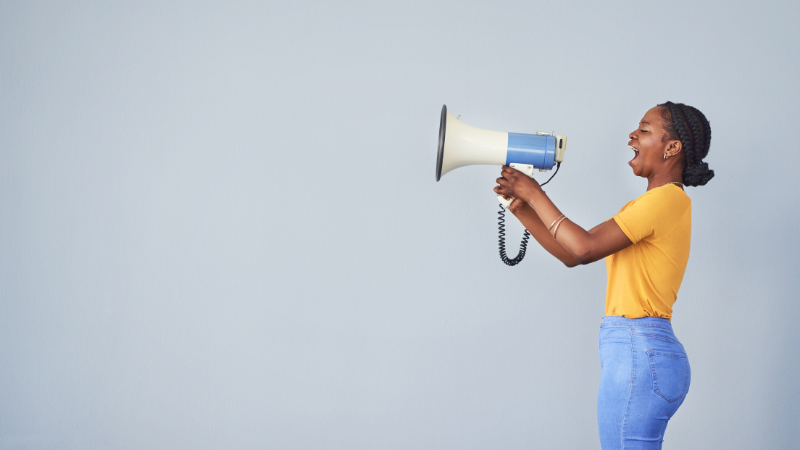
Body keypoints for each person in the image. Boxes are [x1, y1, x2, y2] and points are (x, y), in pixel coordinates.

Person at [494, 102, 714, 450]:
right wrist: (522, 208)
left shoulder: (664, 201)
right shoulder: (652, 205)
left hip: (639, 351)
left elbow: (584, 247)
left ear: (672, 148)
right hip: (646, 353)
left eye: (644, 129)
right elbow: (571, 253)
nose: (631, 135)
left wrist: (535, 192)